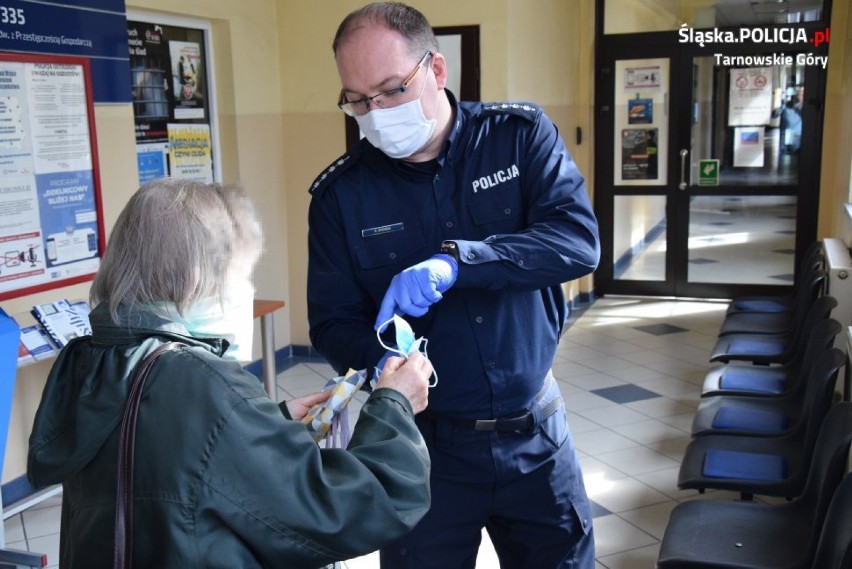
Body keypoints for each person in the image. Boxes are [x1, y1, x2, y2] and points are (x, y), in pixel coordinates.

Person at [307, 3, 600, 567]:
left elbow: (576, 241)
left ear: (437, 70)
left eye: (391, 90)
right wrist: (385, 364)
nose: (375, 111)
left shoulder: (517, 137)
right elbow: (332, 320)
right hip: (424, 448)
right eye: (358, 99)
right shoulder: (342, 196)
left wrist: (460, 262)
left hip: (535, 434)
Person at [27, 178, 433, 568]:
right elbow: (344, 511)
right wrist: (394, 405)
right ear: (195, 275)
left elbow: (165, 455)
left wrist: (263, 421)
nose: (246, 290)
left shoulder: (89, 359)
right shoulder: (202, 382)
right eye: (241, 274)